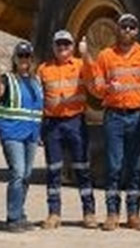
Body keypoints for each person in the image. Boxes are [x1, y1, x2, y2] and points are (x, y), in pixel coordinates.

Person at [91, 12, 140, 231]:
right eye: (123, 27)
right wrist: (107, 89)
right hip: (114, 116)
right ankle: (112, 213)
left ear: (137, 31)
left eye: (131, 27)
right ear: (117, 30)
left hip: (137, 115)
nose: (127, 31)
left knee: (136, 166)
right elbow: (97, 86)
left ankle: (134, 213)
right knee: (114, 166)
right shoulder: (106, 56)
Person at [38, 29, 97, 229]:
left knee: (82, 168)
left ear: (72, 47)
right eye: (59, 44)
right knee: (53, 170)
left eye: (66, 44)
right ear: (53, 47)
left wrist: (86, 53)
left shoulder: (81, 65)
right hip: (52, 124)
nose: (63, 48)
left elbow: (95, 79)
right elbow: (38, 98)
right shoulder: (44, 69)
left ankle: (89, 213)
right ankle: (54, 213)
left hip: (75, 122)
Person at [0, 41, 43, 232]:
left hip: (30, 135)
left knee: (27, 174)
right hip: (12, 133)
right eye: (20, 56)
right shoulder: (8, 78)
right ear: (14, 59)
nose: (24, 60)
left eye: (27, 56)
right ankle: (13, 218)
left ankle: (20, 213)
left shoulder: (35, 81)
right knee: (18, 172)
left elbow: (37, 110)